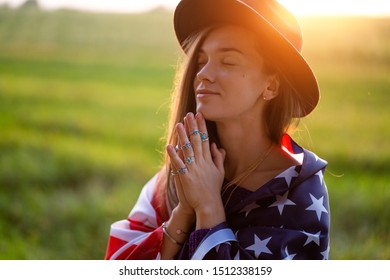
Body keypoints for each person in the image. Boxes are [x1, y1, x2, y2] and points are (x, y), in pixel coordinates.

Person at [104, 0, 330, 260]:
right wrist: (184, 212)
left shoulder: (299, 193)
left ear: (271, 86)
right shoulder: (176, 178)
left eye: (228, 62)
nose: (203, 74)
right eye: (201, 60)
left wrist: (209, 205)